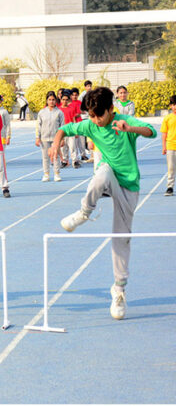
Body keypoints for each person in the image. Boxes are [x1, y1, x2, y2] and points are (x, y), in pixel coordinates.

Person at [49, 87, 157, 320]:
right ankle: (84, 212)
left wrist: (131, 129)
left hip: (129, 185)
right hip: (108, 175)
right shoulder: (90, 124)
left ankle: (118, 290)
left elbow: (151, 131)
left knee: (122, 237)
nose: (95, 121)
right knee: (102, 173)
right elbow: (64, 129)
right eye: (91, 116)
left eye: (100, 115)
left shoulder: (123, 121)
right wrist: (55, 143)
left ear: (111, 109)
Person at [36, 91, 65, 182]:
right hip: (44, 138)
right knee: (45, 157)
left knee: (55, 156)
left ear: (56, 100)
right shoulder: (41, 112)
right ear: (46, 101)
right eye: (49, 100)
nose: (51, 101)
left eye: (53, 100)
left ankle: (57, 174)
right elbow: (38, 125)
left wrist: (62, 138)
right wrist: (38, 137)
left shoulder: (59, 112)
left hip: (55, 139)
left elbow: (62, 126)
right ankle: (46, 174)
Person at [58, 89, 81, 169]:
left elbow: (74, 120)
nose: (64, 101)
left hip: (71, 131)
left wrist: (76, 131)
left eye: (66, 100)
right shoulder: (58, 110)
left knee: (72, 146)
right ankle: (64, 161)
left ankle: (75, 161)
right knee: (63, 147)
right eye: (63, 100)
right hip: (62, 131)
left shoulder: (71, 108)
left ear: (68, 100)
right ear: (61, 100)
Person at [161, 95, 176, 196]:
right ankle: (170, 187)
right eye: (173, 104)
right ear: (171, 106)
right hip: (171, 146)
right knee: (171, 168)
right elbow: (164, 133)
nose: (175, 107)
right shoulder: (168, 118)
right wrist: (164, 147)